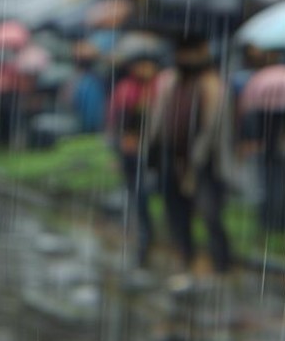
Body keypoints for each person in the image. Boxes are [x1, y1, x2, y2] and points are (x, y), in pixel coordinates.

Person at [144, 37, 235, 275]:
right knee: (176, 212)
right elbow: (158, 119)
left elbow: (214, 128)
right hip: (172, 157)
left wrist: (198, 159)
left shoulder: (213, 86)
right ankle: (186, 258)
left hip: (207, 162)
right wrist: (154, 148)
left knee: (210, 214)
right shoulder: (170, 81)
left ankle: (220, 264)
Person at [107, 51, 163, 268]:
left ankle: (147, 236)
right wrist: (120, 145)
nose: (144, 70)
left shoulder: (159, 90)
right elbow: (117, 121)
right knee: (136, 195)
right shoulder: (126, 90)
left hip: (151, 152)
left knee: (145, 192)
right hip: (129, 152)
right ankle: (143, 237)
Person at [63, 40, 107, 133]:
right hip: (77, 125)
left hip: (80, 127)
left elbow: (91, 115)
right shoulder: (84, 80)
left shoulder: (90, 82)